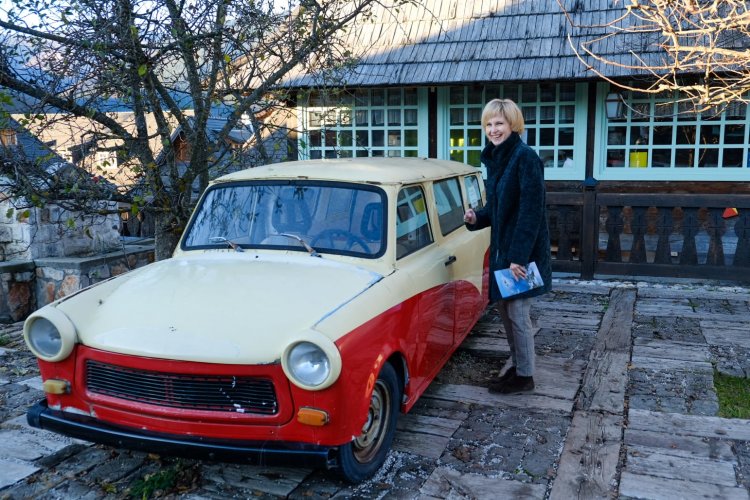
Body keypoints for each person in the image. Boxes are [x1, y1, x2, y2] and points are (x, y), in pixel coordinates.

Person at [463, 98, 552, 394]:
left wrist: (518, 257)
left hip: (519, 255)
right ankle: (517, 367)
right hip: (506, 253)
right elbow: (499, 208)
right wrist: (477, 217)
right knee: (505, 311)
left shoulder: (525, 157)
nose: (493, 129)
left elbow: (531, 211)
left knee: (517, 314)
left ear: (513, 124)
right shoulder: (499, 158)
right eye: (488, 124)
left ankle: (525, 376)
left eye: (499, 123)